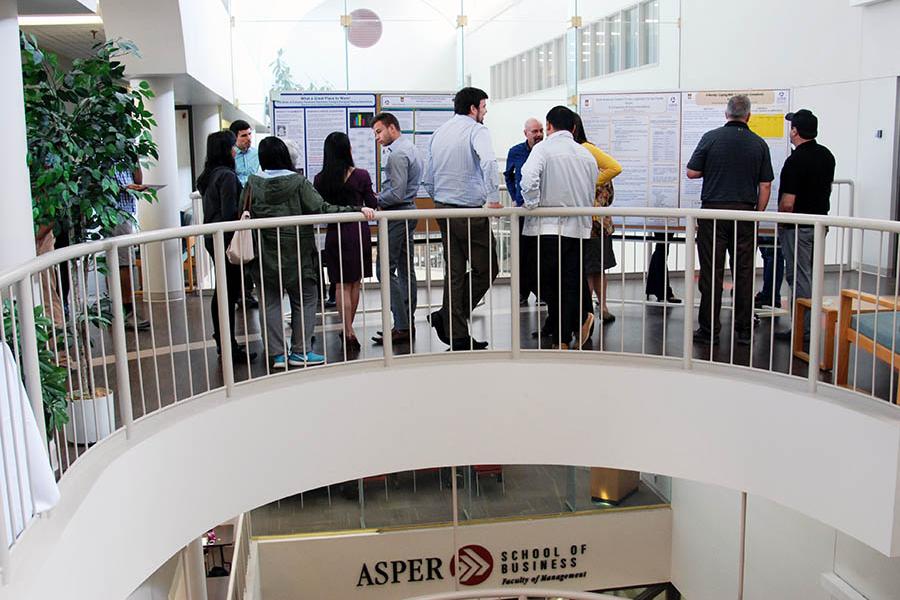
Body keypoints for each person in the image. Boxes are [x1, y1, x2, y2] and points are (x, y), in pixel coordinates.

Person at [245, 136, 375, 368]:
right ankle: (301, 351)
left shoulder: (252, 184)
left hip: (264, 253)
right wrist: (355, 209)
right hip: (297, 252)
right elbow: (321, 208)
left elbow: (242, 212)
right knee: (305, 298)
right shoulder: (298, 182)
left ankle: (276, 355)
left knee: (270, 302)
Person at [686, 94, 774, 346]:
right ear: (748, 116)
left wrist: (711, 170)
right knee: (744, 273)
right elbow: (765, 184)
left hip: (713, 214)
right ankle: (744, 330)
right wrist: (756, 214)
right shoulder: (759, 144)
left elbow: (692, 172)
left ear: (726, 114)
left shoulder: (710, 138)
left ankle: (708, 329)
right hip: (744, 214)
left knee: (711, 273)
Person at [423, 87, 500, 351]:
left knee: (454, 272)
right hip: (468, 212)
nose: (485, 111)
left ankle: (455, 330)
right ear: (473, 109)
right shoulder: (477, 131)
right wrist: (493, 198)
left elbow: (427, 177)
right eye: (483, 106)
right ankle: (448, 316)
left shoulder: (439, 132)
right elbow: (489, 162)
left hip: (443, 209)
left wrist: (440, 198)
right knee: (488, 268)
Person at [520, 106, 599, 350]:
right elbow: (590, 190)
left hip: (547, 228)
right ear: (574, 128)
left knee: (545, 282)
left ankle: (565, 335)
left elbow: (528, 177)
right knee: (570, 280)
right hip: (578, 228)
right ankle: (564, 337)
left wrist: (532, 204)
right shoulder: (586, 155)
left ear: (549, 126)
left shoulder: (543, 149)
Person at [313, 132, 378, 352]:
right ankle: (350, 330)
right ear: (348, 150)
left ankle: (347, 328)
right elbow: (372, 202)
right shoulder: (361, 175)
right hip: (358, 232)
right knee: (354, 283)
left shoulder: (321, 179)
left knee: (340, 283)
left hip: (334, 233)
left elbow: (319, 206)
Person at [774, 109, 835, 341]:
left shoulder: (795, 160)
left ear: (795, 131)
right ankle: (804, 329)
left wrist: (780, 221)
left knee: (799, 279)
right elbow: (826, 188)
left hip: (797, 228)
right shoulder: (827, 155)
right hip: (819, 225)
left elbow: (788, 203)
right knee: (807, 276)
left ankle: (803, 332)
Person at [196, 130, 257, 363]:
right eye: (233, 145)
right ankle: (228, 344)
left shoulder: (208, 175)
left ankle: (224, 341)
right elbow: (231, 212)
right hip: (227, 240)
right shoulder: (228, 177)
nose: (236, 149)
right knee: (228, 292)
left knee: (222, 291)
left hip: (213, 238)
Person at [371, 112, 423, 346]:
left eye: (379, 132)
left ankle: (402, 325)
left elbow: (397, 192)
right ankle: (405, 323)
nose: (377, 138)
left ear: (392, 128)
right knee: (404, 268)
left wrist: (375, 199)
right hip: (408, 211)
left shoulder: (397, 155)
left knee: (384, 269)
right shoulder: (410, 148)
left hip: (397, 212)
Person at [572, 113, 623, 324]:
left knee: (588, 269)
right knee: (598, 268)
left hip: (586, 223)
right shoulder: (597, 157)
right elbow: (609, 196)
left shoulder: (577, 154)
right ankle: (601, 307)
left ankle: (586, 314)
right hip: (601, 222)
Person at [504, 118, 544, 306]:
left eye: (541, 130)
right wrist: (514, 196)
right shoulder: (516, 152)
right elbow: (508, 176)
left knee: (540, 252)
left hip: (542, 210)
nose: (539, 135)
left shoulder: (546, 151)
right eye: (535, 131)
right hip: (522, 209)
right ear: (526, 133)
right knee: (522, 252)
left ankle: (542, 292)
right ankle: (522, 292)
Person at [112, 163, 150, 330]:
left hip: (127, 212)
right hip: (114, 213)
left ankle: (124, 312)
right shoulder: (106, 154)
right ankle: (126, 313)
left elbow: (138, 179)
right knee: (124, 263)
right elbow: (99, 186)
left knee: (125, 261)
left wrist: (134, 161)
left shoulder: (125, 154)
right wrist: (123, 188)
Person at [229, 120, 261, 309]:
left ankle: (247, 293)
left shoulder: (257, 154)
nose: (248, 139)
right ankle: (236, 292)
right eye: (243, 135)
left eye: (249, 134)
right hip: (234, 207)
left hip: (252, 207)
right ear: (235, 137)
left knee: (250, 249)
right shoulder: (229, 157)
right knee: (236, 250)